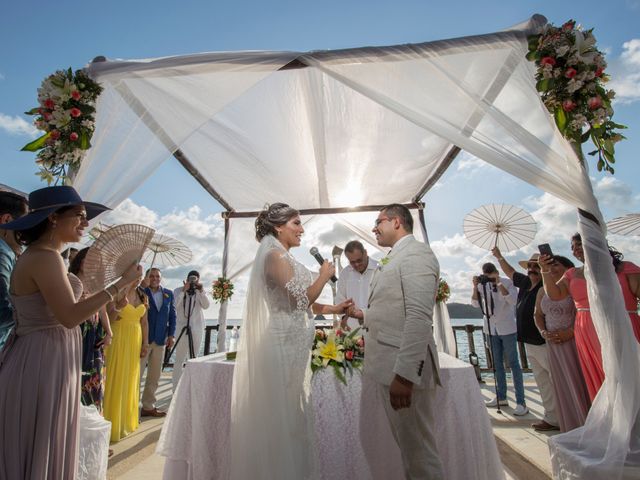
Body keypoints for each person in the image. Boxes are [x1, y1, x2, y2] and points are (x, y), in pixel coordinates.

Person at [0, 185, 140, 479]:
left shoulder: (48, 256)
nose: (86, 223)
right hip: (40, 361)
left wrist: (123, 286)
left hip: (50, 358)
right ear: (53, 218)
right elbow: (69, 316)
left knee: (46, 443)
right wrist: (116, 285)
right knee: (41, 444)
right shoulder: (44, 257)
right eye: (79, 215)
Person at [229, 202, 352, 480]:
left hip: (294, 350)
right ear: (278, 226)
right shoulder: (273, 256)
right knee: (280, 420)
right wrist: (323, 275)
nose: (302, 229)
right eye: (296, 223)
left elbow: (299, 300)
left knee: (293, 414)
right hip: (281, 348)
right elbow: (300, 300)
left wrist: (333, 309)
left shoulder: (283, 256)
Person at [349, 203, 444, 479]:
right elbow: (394, 309)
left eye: (378, 222)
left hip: (401, 371)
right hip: (388, 366)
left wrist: (404, 375)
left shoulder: (417, 255)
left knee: (420, 457)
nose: (374, 228)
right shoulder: (396, 256)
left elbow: (418, 317)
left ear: (397, 222)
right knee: (410, 453)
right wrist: (363, 314)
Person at [540, 233, 640, 401]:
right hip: (587, 330)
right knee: (602, 379)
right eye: (572, 247)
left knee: (628, 376)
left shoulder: (626, 268)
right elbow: (555, 294)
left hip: (622, 325)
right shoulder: (572, 273)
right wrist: (544, 270)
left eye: (578, 244)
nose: (575, 249)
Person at [492, 247, 559, 432]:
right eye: (530, 266)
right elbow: (510, 272)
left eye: (536, 266)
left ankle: (566, 416)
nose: (532, 269)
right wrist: (499, 256)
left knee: (556, 381)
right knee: (543, 383)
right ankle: (552, 418)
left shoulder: (546, 285)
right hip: (529, 342)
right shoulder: (524, 283)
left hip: (545, 341)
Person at [534, 255, 590, 432]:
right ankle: (569, 426)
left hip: (574, 340)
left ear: (568, 267)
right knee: (560, 385)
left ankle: (587, 423)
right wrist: (543, 332)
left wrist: (570, 332)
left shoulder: (573, 284)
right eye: (549, 266)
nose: (552, 268)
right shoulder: (543, 290)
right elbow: (537, 314)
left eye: (556, 265)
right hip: (553, 344)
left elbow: (584, 310)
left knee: (579, 381)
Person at [471, 262, 528, 415]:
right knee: (497, 364)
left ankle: (521, 402)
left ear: (496, 272)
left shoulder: (507, 282)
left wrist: (499, 283)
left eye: (491, 275)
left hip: (507, 327)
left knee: (514, 364)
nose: (488, 278)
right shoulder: (482, 285)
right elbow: (475, 304)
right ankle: (501, 397)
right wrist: (475, 286)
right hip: (490, 329)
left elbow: (513, 301)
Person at [68, 247, 113, 412]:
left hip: (95, 337)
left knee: (95, 378)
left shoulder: (97, 286)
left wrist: (109, 332)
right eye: (91, 260)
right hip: (77, 333)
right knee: (75, 376)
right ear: (81, 262)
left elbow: (102, 311)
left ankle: (92, 417)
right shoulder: (71, 281)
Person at [103, 281, 149, 442]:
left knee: (130, 378)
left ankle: (125, 420)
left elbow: (144, 322)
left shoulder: (143, 295)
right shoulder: (117, 292)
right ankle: (111, 421)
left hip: (134, 340)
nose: (139, 278)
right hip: (118, 337)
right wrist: (119, 306)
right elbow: (109, 318)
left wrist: (145, 343)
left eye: (141, 275)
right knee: (115, 378)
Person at [141, 267, 176, 417]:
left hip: (161, 340)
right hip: (143, 340)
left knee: (154, 376)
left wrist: (171, 335)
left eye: (157, 276)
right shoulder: (141, 291)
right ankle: (130, 407)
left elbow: (172, 316)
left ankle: (148, 406)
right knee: (138, 374)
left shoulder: (168, 293)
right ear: (147, 277)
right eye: (152, 276)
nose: (155, 278)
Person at [172, 270, 210, 390]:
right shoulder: (178, 290)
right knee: (179, 359)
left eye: (195, 279)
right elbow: (174, 306)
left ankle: (191, 388)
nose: (193, 281)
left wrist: (201, 291)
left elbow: (206, 305)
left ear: (198, 280)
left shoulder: (200, 292)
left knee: (193, 359)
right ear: (187, 279)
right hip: (181, 328)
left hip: (197, 329)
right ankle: (176, 390)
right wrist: (184, 291)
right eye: (191, 279)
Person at [0, 190, 28, 349]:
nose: (29, 232)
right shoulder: (3, 253)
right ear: (7, 220)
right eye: (26, 223)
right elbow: (2, 312)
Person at [335, 240, 378, 331]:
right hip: (352, 329)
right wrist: (343, 319)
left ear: (365, 253)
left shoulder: (379, 269)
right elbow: (340, 298)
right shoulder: (345, 273)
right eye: (352, 262)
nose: (357, 264)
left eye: (359, 260)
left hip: (376, 326)